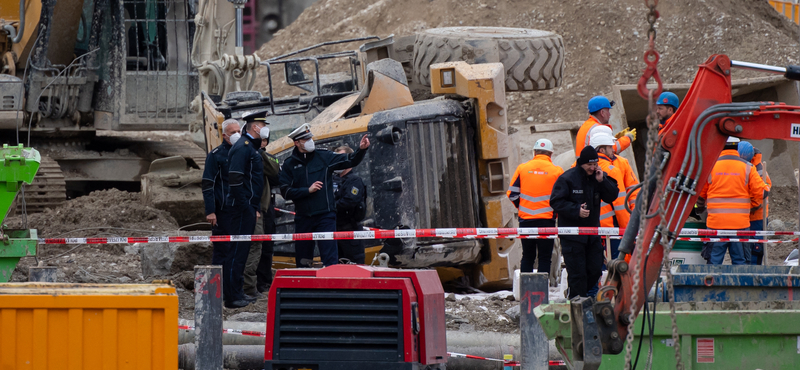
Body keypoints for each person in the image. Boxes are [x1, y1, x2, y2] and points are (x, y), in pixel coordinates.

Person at [279, 123, 370, 267]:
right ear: (297, 143)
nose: (310, 141)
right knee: (303, 259)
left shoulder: (323, 156)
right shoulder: (289, 164)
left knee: (330, 257)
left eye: (310, 138)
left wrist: (362, 149)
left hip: (325, 215)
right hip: (303, 217)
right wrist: (307, 191)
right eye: (305, 139)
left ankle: (332, 287)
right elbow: (285, 191)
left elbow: (350, 160)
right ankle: (304, 287)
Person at [550, 146, 618, 299]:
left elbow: (612, 195)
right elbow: (555, 201)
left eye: (595, 164)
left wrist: (602, 181)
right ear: (582, 163)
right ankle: (577, 303)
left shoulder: (598, 177)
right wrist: (575, 210)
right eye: (590, 165)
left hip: (592, 235)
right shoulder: (567, 178)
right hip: (572, 237)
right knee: (577, 274)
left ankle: (577, 295)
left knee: (595, 270)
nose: (593, 168)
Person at [220, 118, 270, 308]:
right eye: (263, 126)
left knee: (242, 252)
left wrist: (253, 207)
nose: (265, 129)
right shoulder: (243, 147)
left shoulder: (250, 147)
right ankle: (232, 296)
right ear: (255, 127)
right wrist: (246, 206)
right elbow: (235, 179)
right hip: (241, 208)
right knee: (236, 253)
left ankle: (238, 291)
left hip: (248, 207)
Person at [696, 137, 768, 266]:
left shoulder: (710, 167)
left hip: (715, 225)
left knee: (713, 263)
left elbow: (700, 196)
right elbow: (762, 193)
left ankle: (712, 286)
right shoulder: (748, 168)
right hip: (740, 225)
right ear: (737, 148)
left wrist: (699, 209)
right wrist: (766, 186)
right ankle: (740, 287)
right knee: (741, 264)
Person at [507, 138, 564, 274]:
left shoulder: (522, 168)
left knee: (527, 256)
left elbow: (511, 194)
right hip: (547, 221)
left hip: (526, 221)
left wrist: (521, 207)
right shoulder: (557, 171)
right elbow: (562, 198)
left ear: (534, 152)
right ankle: (542, 291)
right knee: (545, 258)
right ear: (550, 154)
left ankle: (526, 290)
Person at [243, 116, 280, 297]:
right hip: (253, 207)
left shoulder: (266, 156)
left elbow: (275, 173)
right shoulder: (247, 152)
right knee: (252, 248)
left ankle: (263, 282)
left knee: (265, 248)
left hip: (265, 208)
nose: (263, 142)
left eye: (265, 140)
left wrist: (261, 151)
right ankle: (250, 285)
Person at [590, 132, 639, 260]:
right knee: (616, 268)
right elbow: (620, 205)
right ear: (602, 149)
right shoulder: (612, 169)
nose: (613, 149)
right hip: (611, 230)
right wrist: (630, 231)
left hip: (589, 230)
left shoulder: (578, 168)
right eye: (610, 147)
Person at [202, 119, 240, 266]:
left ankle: (235, 287)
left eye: (238, 131)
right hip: (223, 211)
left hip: (240, 210)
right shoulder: (216, 155)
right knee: (222, 250)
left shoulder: (244, 153)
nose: (237, 135)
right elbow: (208, 184)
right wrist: (210, 211)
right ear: (225, 135)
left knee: (239, 250)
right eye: (233, 132)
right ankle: (219, 286)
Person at [333, 145, 368, 264]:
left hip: (351, 232)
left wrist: (330, 207)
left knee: (355, 267)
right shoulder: (332, 180)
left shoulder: (354, 181)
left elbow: (349, 201)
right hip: (334, 231)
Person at [738, 141, 772, 265]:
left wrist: (748, 206)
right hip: (748, 215)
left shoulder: (758, 169)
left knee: (755, 249)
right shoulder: (750, 166)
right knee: (746, 247)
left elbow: (762, 193)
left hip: (757, 216)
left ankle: (754, 275)